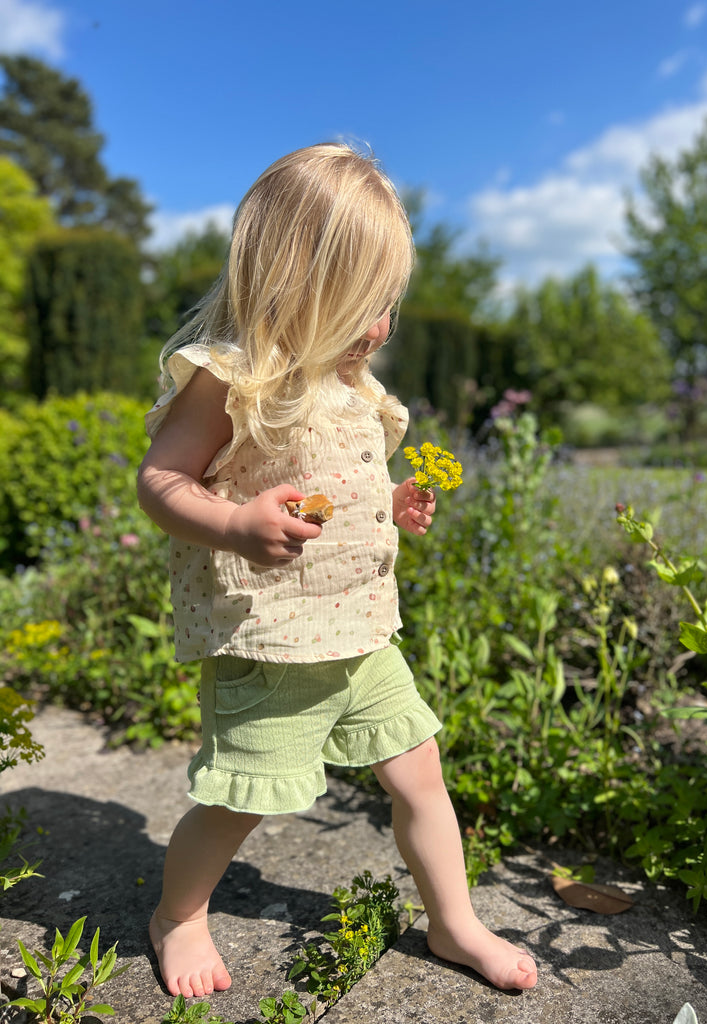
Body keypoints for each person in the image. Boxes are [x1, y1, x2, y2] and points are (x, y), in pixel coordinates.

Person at [137, 143, 538, 1001]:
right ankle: (179, 914)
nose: (381, 324)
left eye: (388, 303)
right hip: (273, 639)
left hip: (362, 632)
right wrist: (235, 523)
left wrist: (389, 504)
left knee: (420, 771)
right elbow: (161, 481)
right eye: (368, 302)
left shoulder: (355, 390)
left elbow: (338, 488)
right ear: (295, 283)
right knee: (242, 797)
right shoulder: (231, 378)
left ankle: (453, 920)